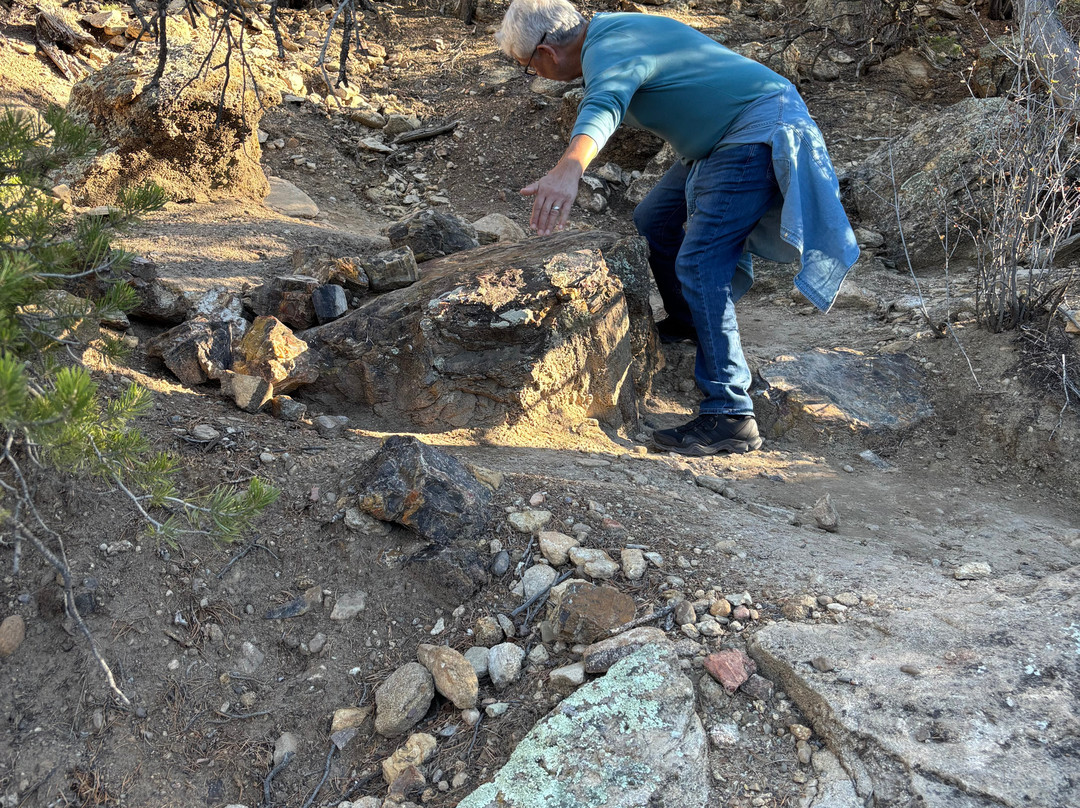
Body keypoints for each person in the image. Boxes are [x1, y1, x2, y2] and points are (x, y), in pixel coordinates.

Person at [495, 0, 860, 455]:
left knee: (703, 261)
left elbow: (604, 103)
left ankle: (729, 413)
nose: (536, 77)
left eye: (528, 67)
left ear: (546, 52)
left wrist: (569, 168)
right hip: (720, 141)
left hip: (754, 130)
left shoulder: (607, 47)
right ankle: (692, 321)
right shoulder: (614, 32)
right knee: (656, 221)